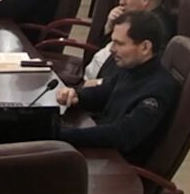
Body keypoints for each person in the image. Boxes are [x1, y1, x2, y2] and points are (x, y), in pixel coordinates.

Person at [56, 11, 177, 165]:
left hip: (118, 165)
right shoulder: (131, 68)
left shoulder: (159, 88)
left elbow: (123, 134)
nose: (112, 49)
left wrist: (62, 135)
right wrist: (76, 96)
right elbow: (105, 92)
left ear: (145, 47)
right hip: (103, 152)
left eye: (119, 43)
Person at [84, 0, 177, 83]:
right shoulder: (136, 21)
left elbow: (135, 75)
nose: (121, 2)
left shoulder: (156, 30)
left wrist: (99, 84)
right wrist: (109, 26)